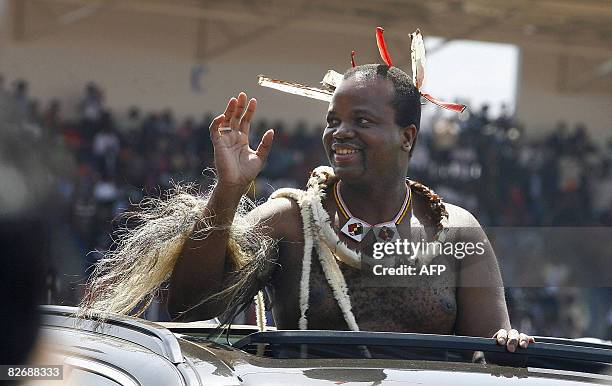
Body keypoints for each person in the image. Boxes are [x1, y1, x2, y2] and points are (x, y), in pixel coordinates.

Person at [81, 30, 532, 353]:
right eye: (333, 120)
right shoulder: (291, 221)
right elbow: (190, 312)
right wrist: (227, 194)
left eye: (363, 121)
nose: (340, 133)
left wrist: (508, 341)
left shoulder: (454, 232)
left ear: (407, 136)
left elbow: (488, 356)